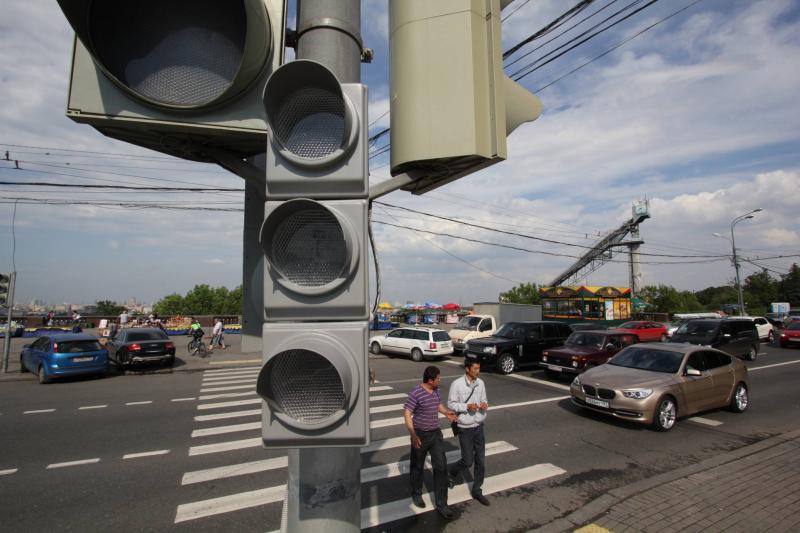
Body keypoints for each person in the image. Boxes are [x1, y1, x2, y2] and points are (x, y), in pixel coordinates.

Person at [403, 366, 458, 519]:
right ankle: (416, 493)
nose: (440, 380)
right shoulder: (416, 392)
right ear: (430, 380)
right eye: (438, 378)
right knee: (417, 466)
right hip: (420, 434)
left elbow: (437, 404)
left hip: (435, 434)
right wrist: (413, 435)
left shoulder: (436, 390)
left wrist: (446, 412)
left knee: (441, 466)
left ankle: (442, 504)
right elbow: (407, 413)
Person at [447, 358, 490, 506]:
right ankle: (452, 472)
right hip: (465, 428)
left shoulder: (481, 383)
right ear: (467, 369)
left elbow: (484, 400)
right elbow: (451, 404)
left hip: (478, 425)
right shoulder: (457, 384)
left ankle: (477, 490)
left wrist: (484, 405)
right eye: (475, 369)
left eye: (478, 368)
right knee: (467, 460)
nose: (478, 371)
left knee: (480, 460)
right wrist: (466, 407)